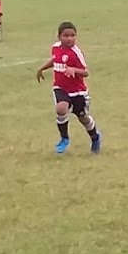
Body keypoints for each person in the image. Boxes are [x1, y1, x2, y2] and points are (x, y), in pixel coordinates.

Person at [36, 22, 102, 155]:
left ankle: (95, 137)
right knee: (61, 108)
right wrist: (42, 68)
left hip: (78, 92)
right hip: (61, 88)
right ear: (59, 36)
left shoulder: (76, 53)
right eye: (66, 35)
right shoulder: (55, 48)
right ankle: (64, 139)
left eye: (72, 35)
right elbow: (55, 59)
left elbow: (85, 72)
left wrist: (74, 70)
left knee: (83, 118)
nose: (70, 38)